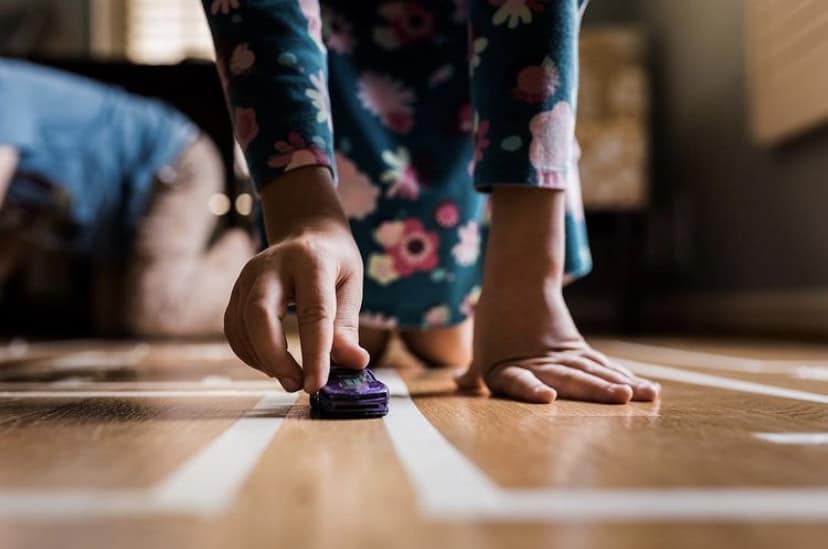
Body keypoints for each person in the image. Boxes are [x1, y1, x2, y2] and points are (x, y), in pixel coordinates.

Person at [203, 0, 661, 403]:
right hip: (334, 113)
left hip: (481, 113)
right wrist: (304, 213)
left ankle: (452, 314)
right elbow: (262, 13)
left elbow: (532, 23)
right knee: (355, 335)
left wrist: (526, 286)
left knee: (446, 344)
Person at [0, 59, 254, 336]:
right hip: (119, 220)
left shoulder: (4, 85)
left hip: (172, 164)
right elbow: (14, 226)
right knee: (113, 326)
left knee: (156, 318)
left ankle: (242, 264)